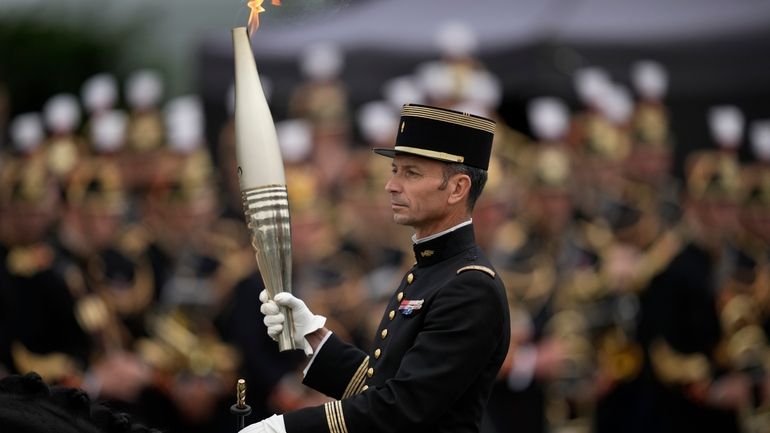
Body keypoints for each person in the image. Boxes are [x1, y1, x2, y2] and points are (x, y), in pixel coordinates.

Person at [242, 103, 511, 433]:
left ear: (457, 188)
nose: (391, 185)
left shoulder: (470, 287)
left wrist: (287, 428)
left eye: (411, 173)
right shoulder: (431, 270)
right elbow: (380, 385)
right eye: (395, 170)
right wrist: (313, 335)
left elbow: (403, 407)